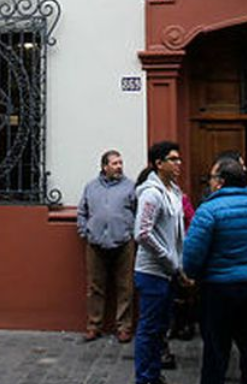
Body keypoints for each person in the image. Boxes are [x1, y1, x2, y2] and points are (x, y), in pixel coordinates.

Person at [183, 157, 247, 384]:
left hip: (218, 288)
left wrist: (193, 276)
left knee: (216, 352)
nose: (210, 182)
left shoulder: (208, 211)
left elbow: (192, 255)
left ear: (220, 181)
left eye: (212, 177)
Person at [133, 140, 187, 384]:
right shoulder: (152, 194)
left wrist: (179, 264)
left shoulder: (173, 191)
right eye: (173, 159)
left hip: (168, 272)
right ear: (158, 163)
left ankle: (153, 373)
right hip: (152, 272)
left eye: (179, 159)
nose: (178, 163)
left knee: (160, 328)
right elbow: (142, 233)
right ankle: (145, 378)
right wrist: (167, 258)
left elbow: (177, 233)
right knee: (149, 328)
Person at [77, 149, 136, 343]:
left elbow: (138, 211)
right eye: (115, 163)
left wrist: (131, 233)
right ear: (104, 167)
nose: (119, 167)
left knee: (125, 286)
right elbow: (82, 211)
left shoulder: (130, 187)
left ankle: (124, 327)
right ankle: (94, 326)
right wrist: (84, 231)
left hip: (123, 243)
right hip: (96, 243)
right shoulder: (91, 187)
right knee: (95, 286)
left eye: (120, 163)